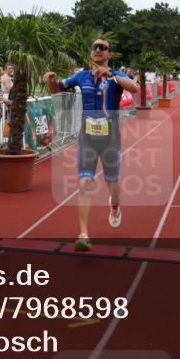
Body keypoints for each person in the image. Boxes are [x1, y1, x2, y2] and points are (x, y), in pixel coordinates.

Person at [44, 39, 137, 252]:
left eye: (102, 48)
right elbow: (56, 88)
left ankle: (115, 205)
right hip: (87, 138)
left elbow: (134, 89)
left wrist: (111, 76)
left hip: (111, 138)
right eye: (94, 47)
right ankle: (84, 234)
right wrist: (51, 80)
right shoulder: (81, 76)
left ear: (109, 55)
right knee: (85, 183)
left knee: (111, 182)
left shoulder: (117, 76)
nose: (97, 50)